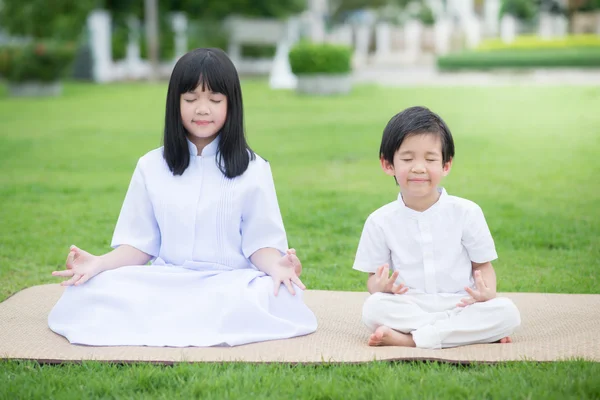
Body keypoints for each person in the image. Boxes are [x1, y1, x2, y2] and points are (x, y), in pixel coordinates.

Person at [48, 48, 317, 347]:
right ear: (175, 103)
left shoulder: (254, 169)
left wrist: (278, 266)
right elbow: (139, 246)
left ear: (232, 105)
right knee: (87, 290)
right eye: (190, 100)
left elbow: (260, 245)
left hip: (229, 285)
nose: (202, 109)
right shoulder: (150, 165)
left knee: (278, 296)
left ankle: (168, 323)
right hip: (166, 282)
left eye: (215, 100)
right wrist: (98, 263)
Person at [353, 106, 521, 349]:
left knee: (507, 312)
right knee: (373, 308)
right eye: (408, 159)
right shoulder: (379, 221)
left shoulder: (467, 212)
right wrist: (380, 287)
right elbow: (373, 280)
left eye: (430, 159)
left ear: (446, 165)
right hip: (409, 305)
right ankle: (460, 333)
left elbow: (482, 265)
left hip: (462, 304)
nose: (419, 168)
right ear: (388, 164)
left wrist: (487, 293)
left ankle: (411, 340)